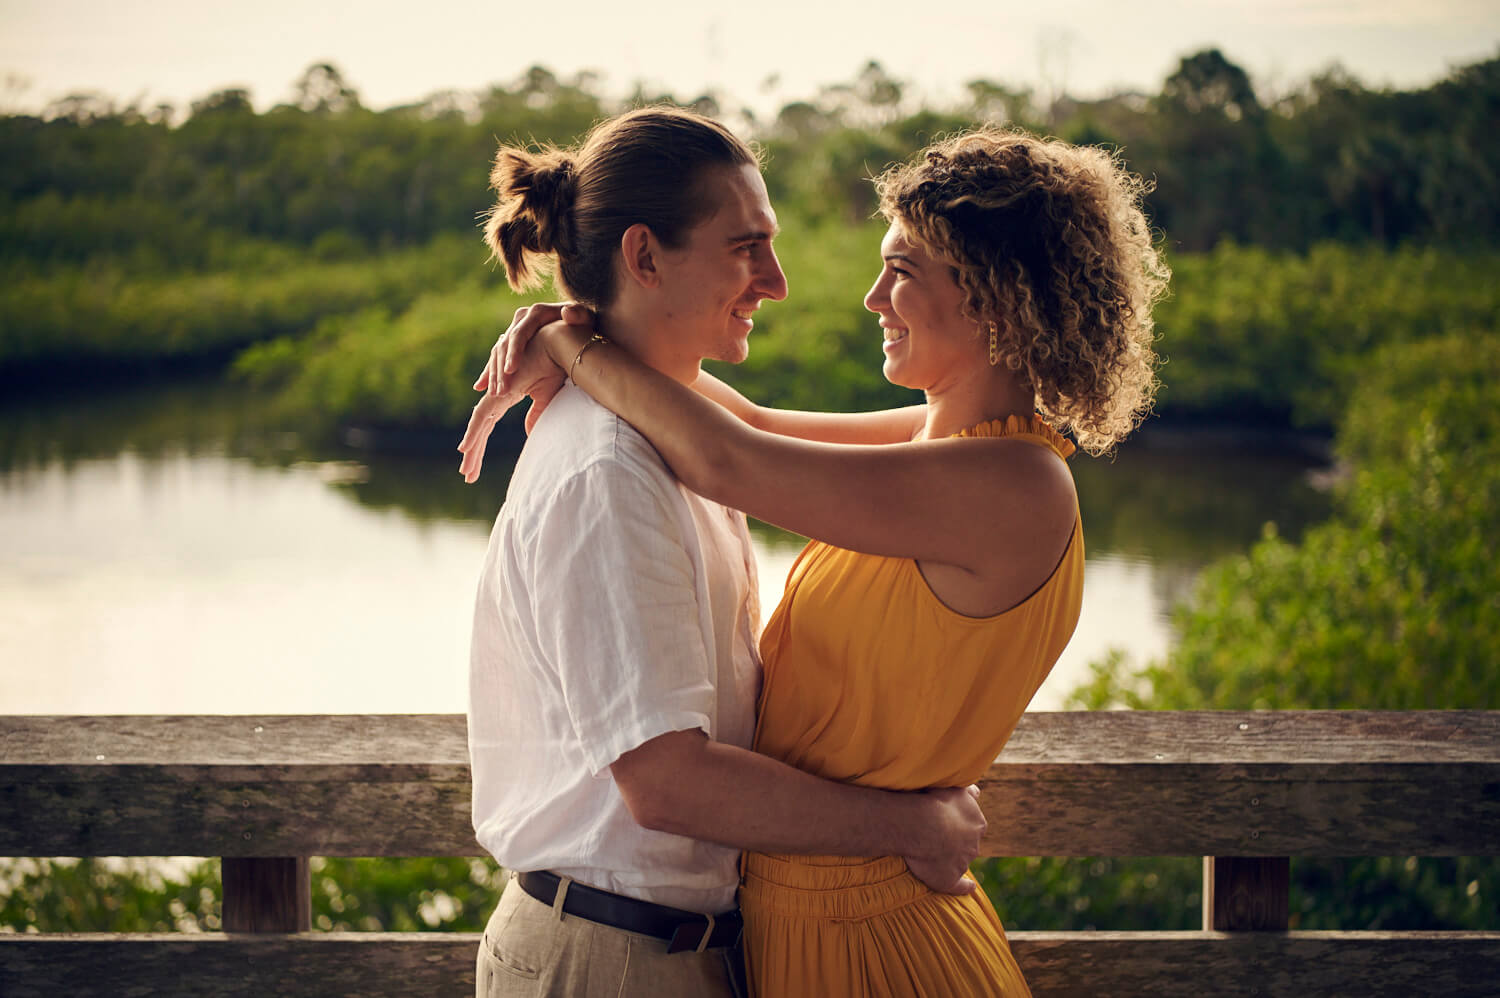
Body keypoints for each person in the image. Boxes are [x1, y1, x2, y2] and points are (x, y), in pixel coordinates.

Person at [464, 126, 1169, 996]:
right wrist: (582, 336)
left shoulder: (1009, 482)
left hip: (876, 937)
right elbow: (746, 427)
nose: (870, 298)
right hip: (791, 924)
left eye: (902, 272)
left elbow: (733, 460)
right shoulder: (940, 443)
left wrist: (575, 345)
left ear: (998, 297)